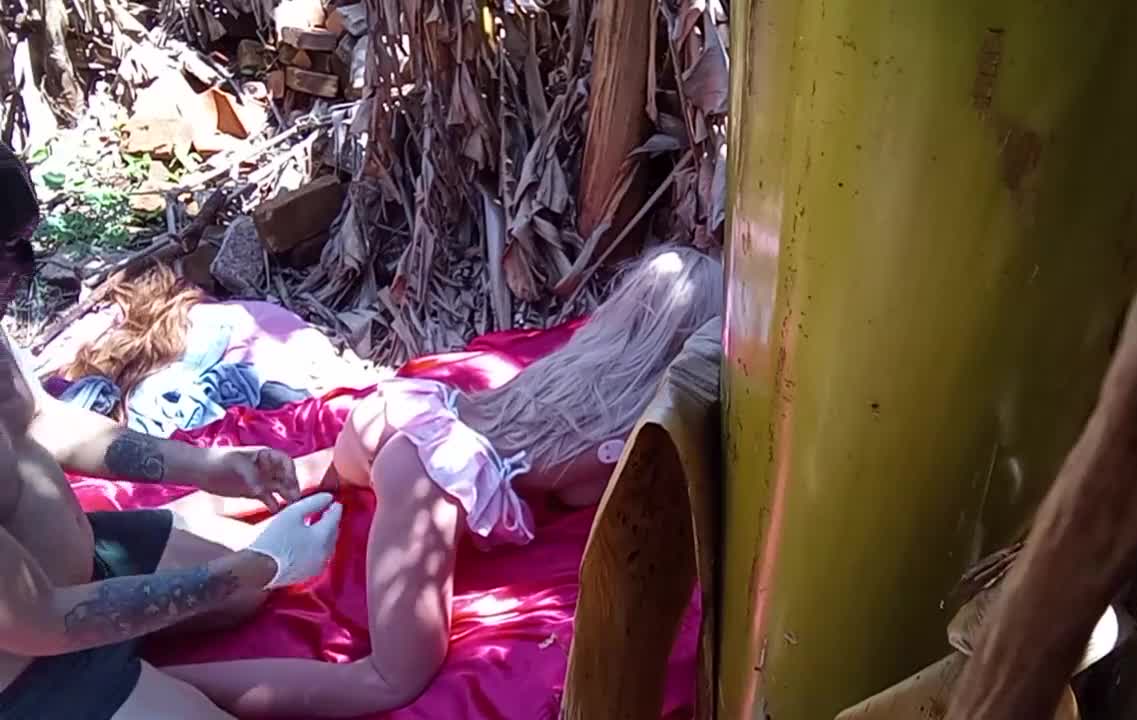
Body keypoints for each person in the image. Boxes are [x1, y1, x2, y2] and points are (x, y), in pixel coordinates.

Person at [162, 242, 725, 717]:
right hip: (425, 473)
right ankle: (165, 685)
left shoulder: (574, 373)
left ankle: (166, 525)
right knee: (389, 680)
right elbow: (583, 490)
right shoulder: (622, 430)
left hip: (408, 418)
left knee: (300, 479)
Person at [0, 142, 344, 720]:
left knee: (246, 599)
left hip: (80, 568)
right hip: (29, 661)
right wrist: (256, 565)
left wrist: (209, 467)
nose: (19, 271)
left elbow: (39, 417)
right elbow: (41, 621)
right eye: (4, 253)